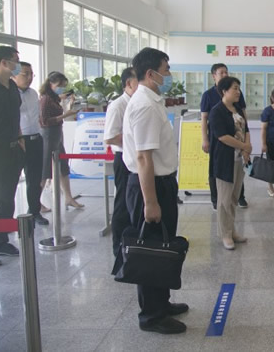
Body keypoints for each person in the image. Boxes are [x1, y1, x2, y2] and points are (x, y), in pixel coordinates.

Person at [122, 47, 188, 334]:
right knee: (150, 249)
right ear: (151, 74)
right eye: (166, 69)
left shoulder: (151, 100)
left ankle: (162, 302)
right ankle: (152, 316)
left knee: (162, 244)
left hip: (160, 182)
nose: (169, 74)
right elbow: (143, 158)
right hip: (150, 186)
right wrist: (150, 202)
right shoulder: (145, 106)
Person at [0, 46, 25, 267]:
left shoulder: (12, 86)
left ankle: (0, 242)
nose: (17, 65)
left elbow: (15, 115)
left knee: (7, 198)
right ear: (3, 62)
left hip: (12, 149)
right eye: (15, 61)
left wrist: (19, 137)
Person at [209, 76, 251, 250]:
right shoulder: (217, 111)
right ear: (224, 91)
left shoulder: (237, 109)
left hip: (238, 159)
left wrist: (246, 149)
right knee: (224, 199)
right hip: (224, 160)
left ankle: (231, 230)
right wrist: (244, 146)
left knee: (234, 197)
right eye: (234, 88)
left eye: (238, 88)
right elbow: (222, 136)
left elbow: (245, 129)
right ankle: (225, 234)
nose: (238, 92)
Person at [201, 63, 248, 209]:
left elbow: (243, 118)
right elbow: (204, 118)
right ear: (214, 76)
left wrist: (245, 143)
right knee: (217, 170)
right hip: (217, 139)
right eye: (221, 72)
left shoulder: (237, 95)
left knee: (237, 169)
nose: (225, 74)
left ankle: (240, 197)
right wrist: (205, 139)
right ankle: (216, 199)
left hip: (237, 139)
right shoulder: (208, 95)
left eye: (226, 72)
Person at [103, 67, 138, 256]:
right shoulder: (118, 106)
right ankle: (118, 248)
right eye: (139, 80)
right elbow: (110, 137)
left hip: (136, 158)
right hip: (124, 159)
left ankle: (134, 243)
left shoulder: (138, 103)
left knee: (135, 202)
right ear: (129, 83)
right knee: (123, 204)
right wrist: (135, 138)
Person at [39, 71, 84, 210]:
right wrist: (66, 115)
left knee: (63, 166)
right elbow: (45, 121)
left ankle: (68, 198)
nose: (62, 89)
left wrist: (69, 103)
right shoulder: (46, 99)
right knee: (46, 169)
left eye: (64, 86)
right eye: (60, 85)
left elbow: (60, 102)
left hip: (57, 133)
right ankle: (36, 201)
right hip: (49, 134)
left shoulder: (54, 98)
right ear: (51, 84)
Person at [14, 62, 48, 226]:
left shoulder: (33, 93)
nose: (29, 78)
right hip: (18, 141)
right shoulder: (10, 94)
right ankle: (4, 221)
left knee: (34, 180)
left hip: (35, 140)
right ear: (14, 75)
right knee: (10, 182)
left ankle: (34, 212)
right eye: (25, 74)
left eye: (31, 74)